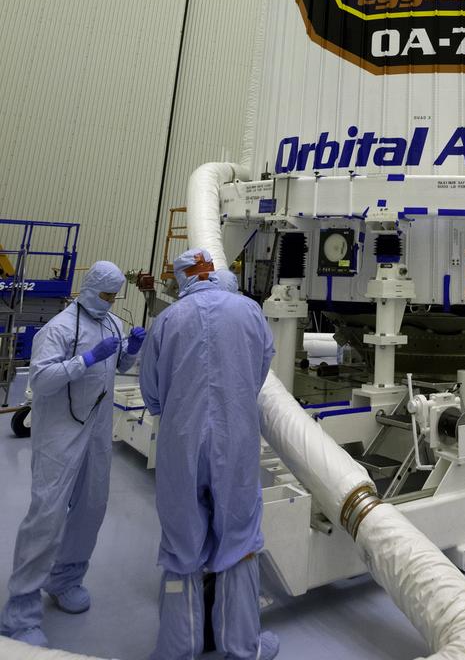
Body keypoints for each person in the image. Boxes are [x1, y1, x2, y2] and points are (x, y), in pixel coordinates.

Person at [140, 248, 277, 660]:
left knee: (182, 545)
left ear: (182, 278)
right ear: (214, 272)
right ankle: (242, 647)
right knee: (239, 540)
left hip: (180, 444)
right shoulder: (248, 312)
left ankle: (178, 650)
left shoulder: (166, 321)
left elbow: (151, 392)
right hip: (235, 440)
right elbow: (261, 366)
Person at [0, 261, 145, 645]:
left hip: (97, 430)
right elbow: (43, 380)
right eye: (105, 295)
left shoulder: (112, 324)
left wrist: (132, 349)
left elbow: (120, 366)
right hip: (60, 433)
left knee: (91, 507)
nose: (110, 302)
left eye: (115, 297)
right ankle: (19, 611)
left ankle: (65, 578)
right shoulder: (58, 329)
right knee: (47, 514)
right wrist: (87, 358)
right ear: (89, 288)